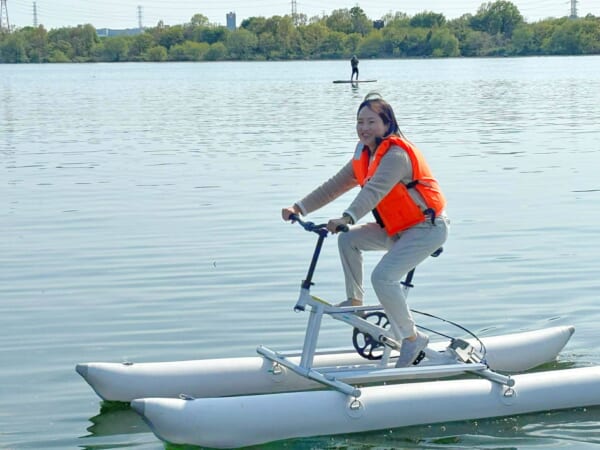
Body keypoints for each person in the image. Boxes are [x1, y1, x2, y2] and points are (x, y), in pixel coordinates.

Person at [281, 92, 449, 367]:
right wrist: (299, 207)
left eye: (371, 122)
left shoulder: (396, 155)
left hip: (426, 229)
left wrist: (347, 217)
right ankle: (355, 301)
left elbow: (373, 192)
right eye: (360, 122)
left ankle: (412, 339)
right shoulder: (364, 155)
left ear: (387, 124)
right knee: (349, 240)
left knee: (383, 277)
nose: (364, 128)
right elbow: (334, 185)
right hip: (397, 229)